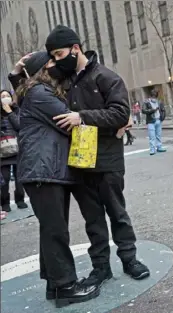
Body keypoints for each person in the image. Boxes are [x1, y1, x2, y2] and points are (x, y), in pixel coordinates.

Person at [44, 25, 149, 289]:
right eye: (53, 56)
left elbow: (120, 114)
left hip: (108, 160)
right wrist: (18, 73)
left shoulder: (106, 77)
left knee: (117, 213)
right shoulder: (63, 81)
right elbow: (35, 83)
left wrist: (83, 117)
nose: (56, 60)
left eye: (59, 54)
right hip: (80, 162)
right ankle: (101, 268)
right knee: (93, 221)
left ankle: (130, 259)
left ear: (75, 48)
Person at [14, 51, 100, 306]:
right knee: (56, 231)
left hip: (46, 171)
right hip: (43, 171)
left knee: (52, 230)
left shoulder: (35, 92)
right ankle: (66, 287)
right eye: (51, 62)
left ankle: (55, 284)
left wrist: (17, 72)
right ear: (43, 69)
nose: (57, 65)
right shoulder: (40, 94)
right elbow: (70, 120)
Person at [1, 90, 28, 212]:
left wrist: (10, 112)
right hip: (3, 151)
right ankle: (4, 203)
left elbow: (19, 125)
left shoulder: (16, 110)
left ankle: (20, 200)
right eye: (2, 96)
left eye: (7, 96)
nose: (5, 98)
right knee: (5, 179)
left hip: (17, 148)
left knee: (19, 177)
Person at [142, 90, 166, 155]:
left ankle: (159, 147)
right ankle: (152, 149)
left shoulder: (159, 102)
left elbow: (163, 110)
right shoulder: (146, 102)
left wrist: (162, 117)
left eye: (155, 97)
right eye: (153, 97)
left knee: (158, 135)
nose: (154, 98)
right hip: (151, 121)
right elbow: (143, 110)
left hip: (158, 120)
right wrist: (152, 110)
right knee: (152, 136)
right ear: (151, 96)